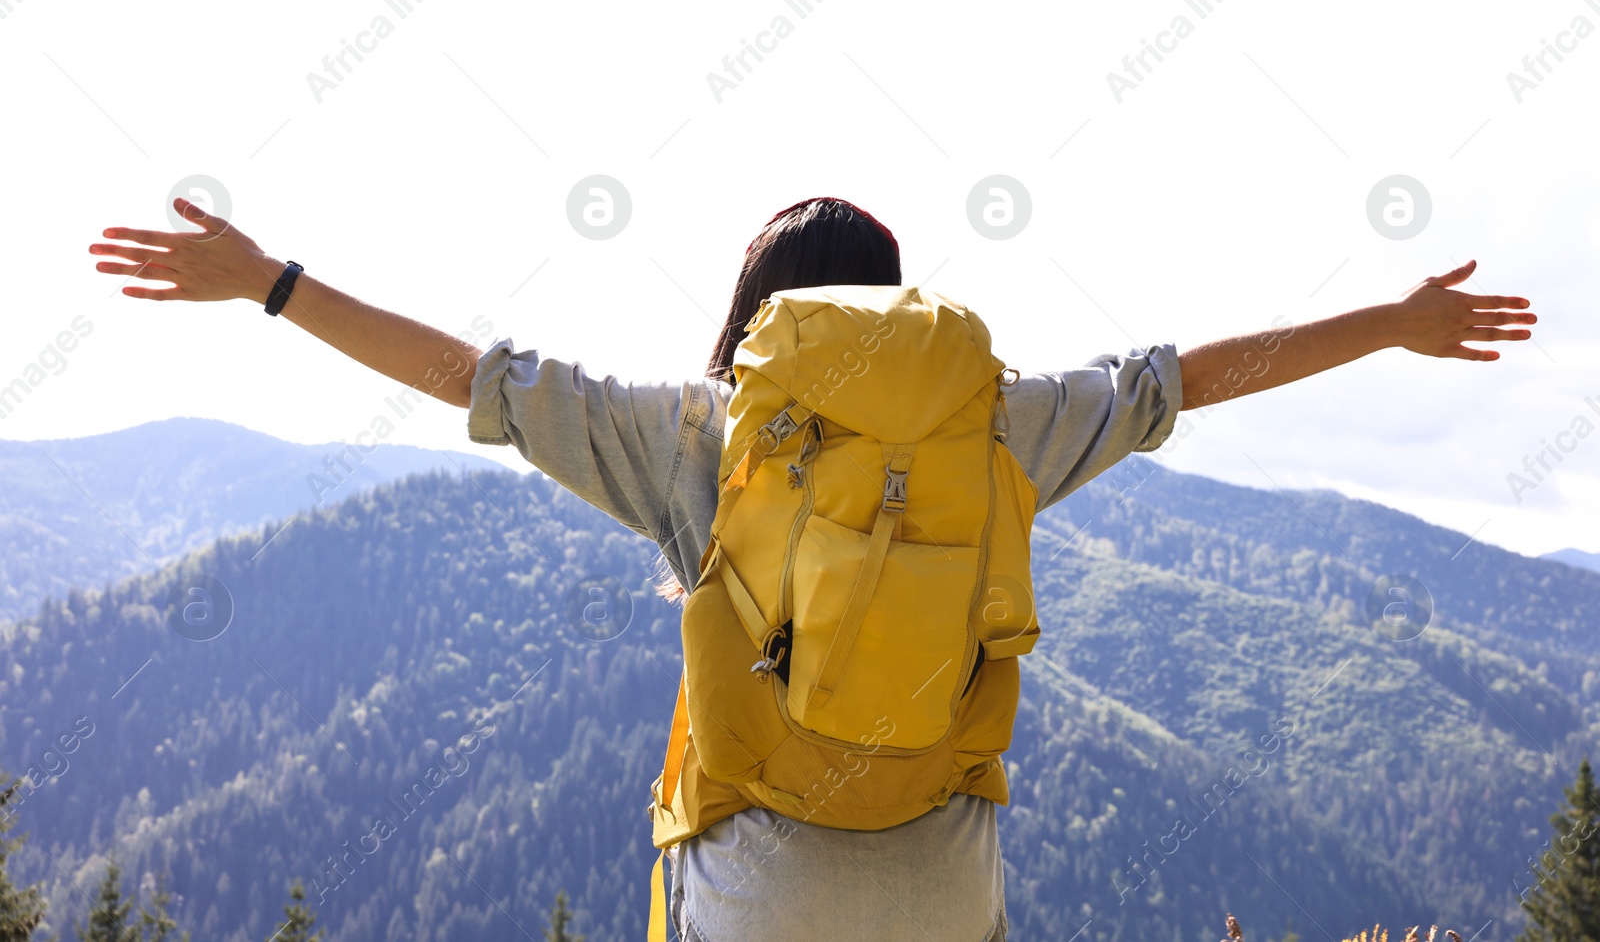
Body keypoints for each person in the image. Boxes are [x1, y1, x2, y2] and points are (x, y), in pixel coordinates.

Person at [89, 195, 1536, 941]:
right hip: (945, 877)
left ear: (756, 316)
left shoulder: (698, 435)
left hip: (767, 886)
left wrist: (271, 284)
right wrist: (1392, 321)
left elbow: (472, 377)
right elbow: (1184, 381)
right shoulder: (998, 419)